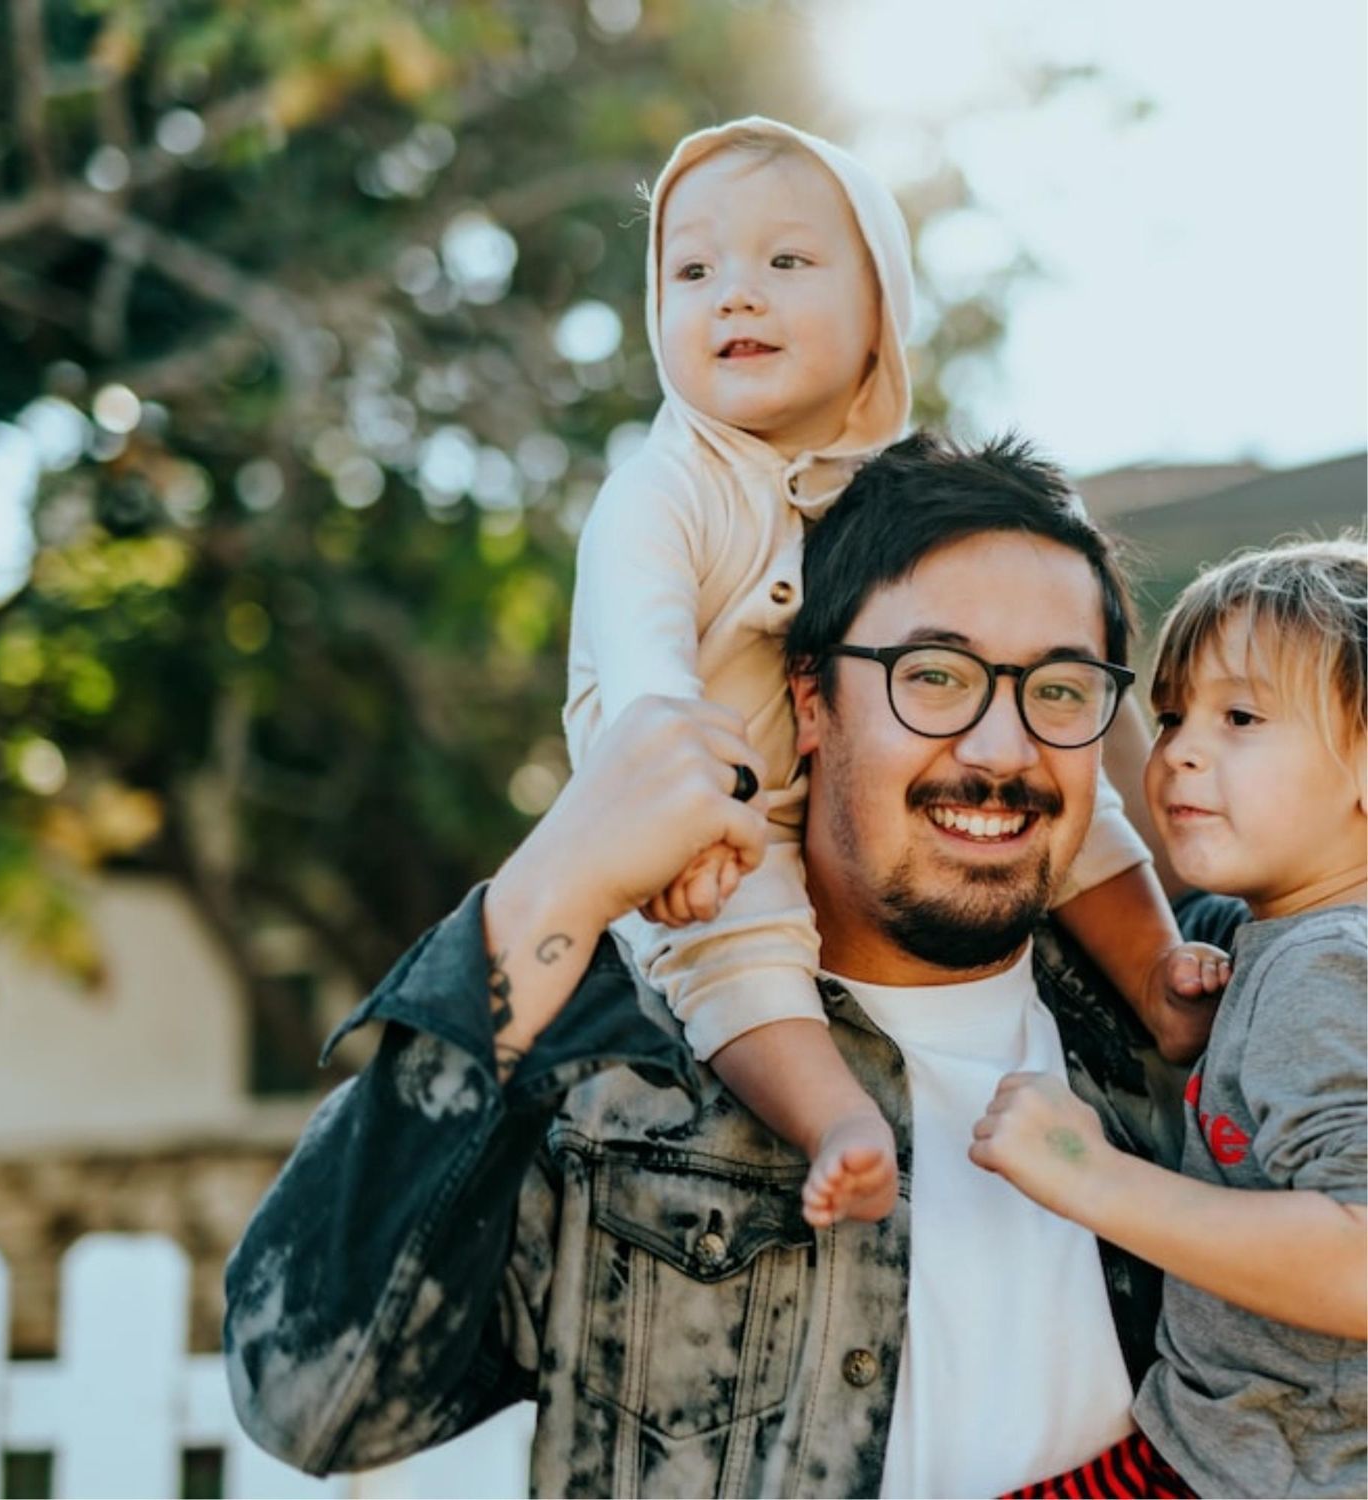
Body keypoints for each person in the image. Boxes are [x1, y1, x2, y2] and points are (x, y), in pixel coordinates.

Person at [225, 433, 1202, 1497]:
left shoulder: (1200, 1046)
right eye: (935, 675)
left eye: (1059, 691)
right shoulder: (617, 1073)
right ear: (812, 700)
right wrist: (547, 887)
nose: (1002, 750)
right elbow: (308, 1398)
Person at [565, 117, 1220, 1228]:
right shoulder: (665, 489)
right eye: (693, 270)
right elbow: (647, 681)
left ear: (882, 312)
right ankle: (837, 1120)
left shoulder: (899, 497)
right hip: (703, 818)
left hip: (811, 796)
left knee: (1072, 793)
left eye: (785, 262)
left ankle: (1159, 977)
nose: (735, 295)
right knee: (738, 951)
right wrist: (683, 826)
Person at [974, 537, 1368, 1499]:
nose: (1181, 747)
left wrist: (1086, 1175)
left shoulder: (1321, 966)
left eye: (1240, 716)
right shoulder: (1285, 945)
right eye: (1170, 714)